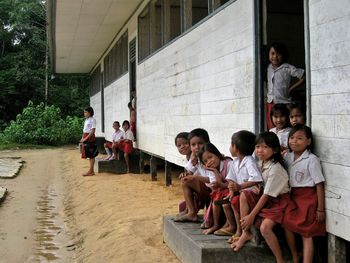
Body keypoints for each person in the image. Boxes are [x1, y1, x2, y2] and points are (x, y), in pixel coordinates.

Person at [232, 132, 290, 263]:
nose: (260, 150)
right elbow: (258, 186)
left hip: (279, 203)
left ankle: (280, 260)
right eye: (257, 147)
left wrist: (251, 215)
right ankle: (245, 232)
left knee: (265, 228)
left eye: (265, 147)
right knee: (244, 195)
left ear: (274, 150)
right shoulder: (260, 164)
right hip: (266, 199)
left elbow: (266, 196)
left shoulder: (276, 169)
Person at [283, 125, 326, 263]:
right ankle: (295, 256)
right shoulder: (287, 157)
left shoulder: (312, 159)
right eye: (292, 138)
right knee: (287, 224)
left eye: (300, 138)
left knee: (306, 233)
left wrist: (320, 208)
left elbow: (319, 184)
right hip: (292, 197)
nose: (294, 141)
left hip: (308, 198)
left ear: (308, 141)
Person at [223, 130, 263, 244]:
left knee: (239, 199)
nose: (230, 148)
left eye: (231, 145)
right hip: (241, 193)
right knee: (233, 201)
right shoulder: (235, 162)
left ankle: (244, 232)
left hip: (251, 193)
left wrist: (240, 186)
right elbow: (231, 179)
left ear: (235, 147)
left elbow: (256, 179)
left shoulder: (249, 161)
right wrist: (231, 191)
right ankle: (239, 231)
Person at [174, 128, 211, 223]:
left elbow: (210, 177)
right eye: (193, 145)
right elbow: (189, 171)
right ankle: (189, 211)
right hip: (205, 185)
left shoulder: (208, 156)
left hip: (212, 187)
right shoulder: (195, 157)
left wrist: (192, 176)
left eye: (200, 143)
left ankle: (191, 212)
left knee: (186, 181)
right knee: (185, 179)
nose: (197, 147)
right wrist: (193, 160)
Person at [266, 42, 305, 129]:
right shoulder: (268, 68)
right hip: (271, 104)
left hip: (283, 103)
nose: (275, 57)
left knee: (286, 129)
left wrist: (291, 88)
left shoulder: (287, 68)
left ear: (283, 55)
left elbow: (304, 76)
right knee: (272, 129)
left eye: (278, 54)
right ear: (268, 54)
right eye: (272, 53)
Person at [197, 143, 233, 235]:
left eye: (210, 157)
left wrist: (216, 173)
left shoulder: (228, 163)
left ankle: (230, 225)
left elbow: (229, 184)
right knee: (216, 196)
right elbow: (218, 185)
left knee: (220, 197)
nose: (209, 161)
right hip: (224, 189)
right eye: (205, 161)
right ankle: (216, 224)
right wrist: (215, 171)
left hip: (233, 188)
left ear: (217, 154)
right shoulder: (213, 169)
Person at [80, 106, 98, 176]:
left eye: (86, 112)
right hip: (85, 136)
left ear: (90, 113)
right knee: (89, 154)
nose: (84, 113)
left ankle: (91, 171)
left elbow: (92, 131)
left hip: (89, 138)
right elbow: (85, 130)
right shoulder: (86, 120)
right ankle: (91, 170)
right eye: (84, 112)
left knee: (91, 154)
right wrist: (82, 138)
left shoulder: (92, 120)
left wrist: (85, 138)